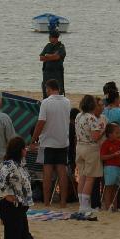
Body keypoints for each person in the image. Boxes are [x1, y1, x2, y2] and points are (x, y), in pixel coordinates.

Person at [0, 136, 34, 239]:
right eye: (24, 148)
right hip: (11, 207)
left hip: (20, 207)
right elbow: (0, 181)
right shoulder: (9, 165)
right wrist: (6, 195)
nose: (26, 150)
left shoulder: (20, 164)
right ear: (19, 150)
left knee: (22, 238)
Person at [31, 79, 71, 208]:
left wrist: (33, 139)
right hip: (62, 141)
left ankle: (47, 202)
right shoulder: (67, 102)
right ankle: (63, 202)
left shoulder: (46, 103)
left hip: (48, 141)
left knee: (47, 173)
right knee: (62, 172)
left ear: (48, 88)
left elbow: (41, 122)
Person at [74, 94, 104, 212]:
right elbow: (95, 137)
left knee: (82, 176)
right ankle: (85, 205)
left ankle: (81, 204)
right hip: (90, 148)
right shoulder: (91, 118)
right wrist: (102, 130)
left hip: (80, 146)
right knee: (90, 177)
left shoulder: (78, 116)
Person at [100, 123, 120, 212]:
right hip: (110, 167)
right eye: (116, 133)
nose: (118, 134)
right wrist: (113, 155)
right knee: (109, 187)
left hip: (119, 167)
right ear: (110, 134)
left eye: (119, 132)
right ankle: (108, 206)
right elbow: (102, 157)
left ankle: (114, 207)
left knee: (116, 187)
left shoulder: (119, 141)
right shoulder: (106, 143)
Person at [39, 30, 66, 97]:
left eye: (51, 37)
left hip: (57, 73)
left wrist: (47, 56)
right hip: (47, 73)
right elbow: (41, 58)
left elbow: (57, 57)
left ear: (55, 38)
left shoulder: (61, 47)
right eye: (49, 36)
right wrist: (52, 55)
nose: (49, 38)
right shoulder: (48, 46)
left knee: (58, 91)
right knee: (46, 92)